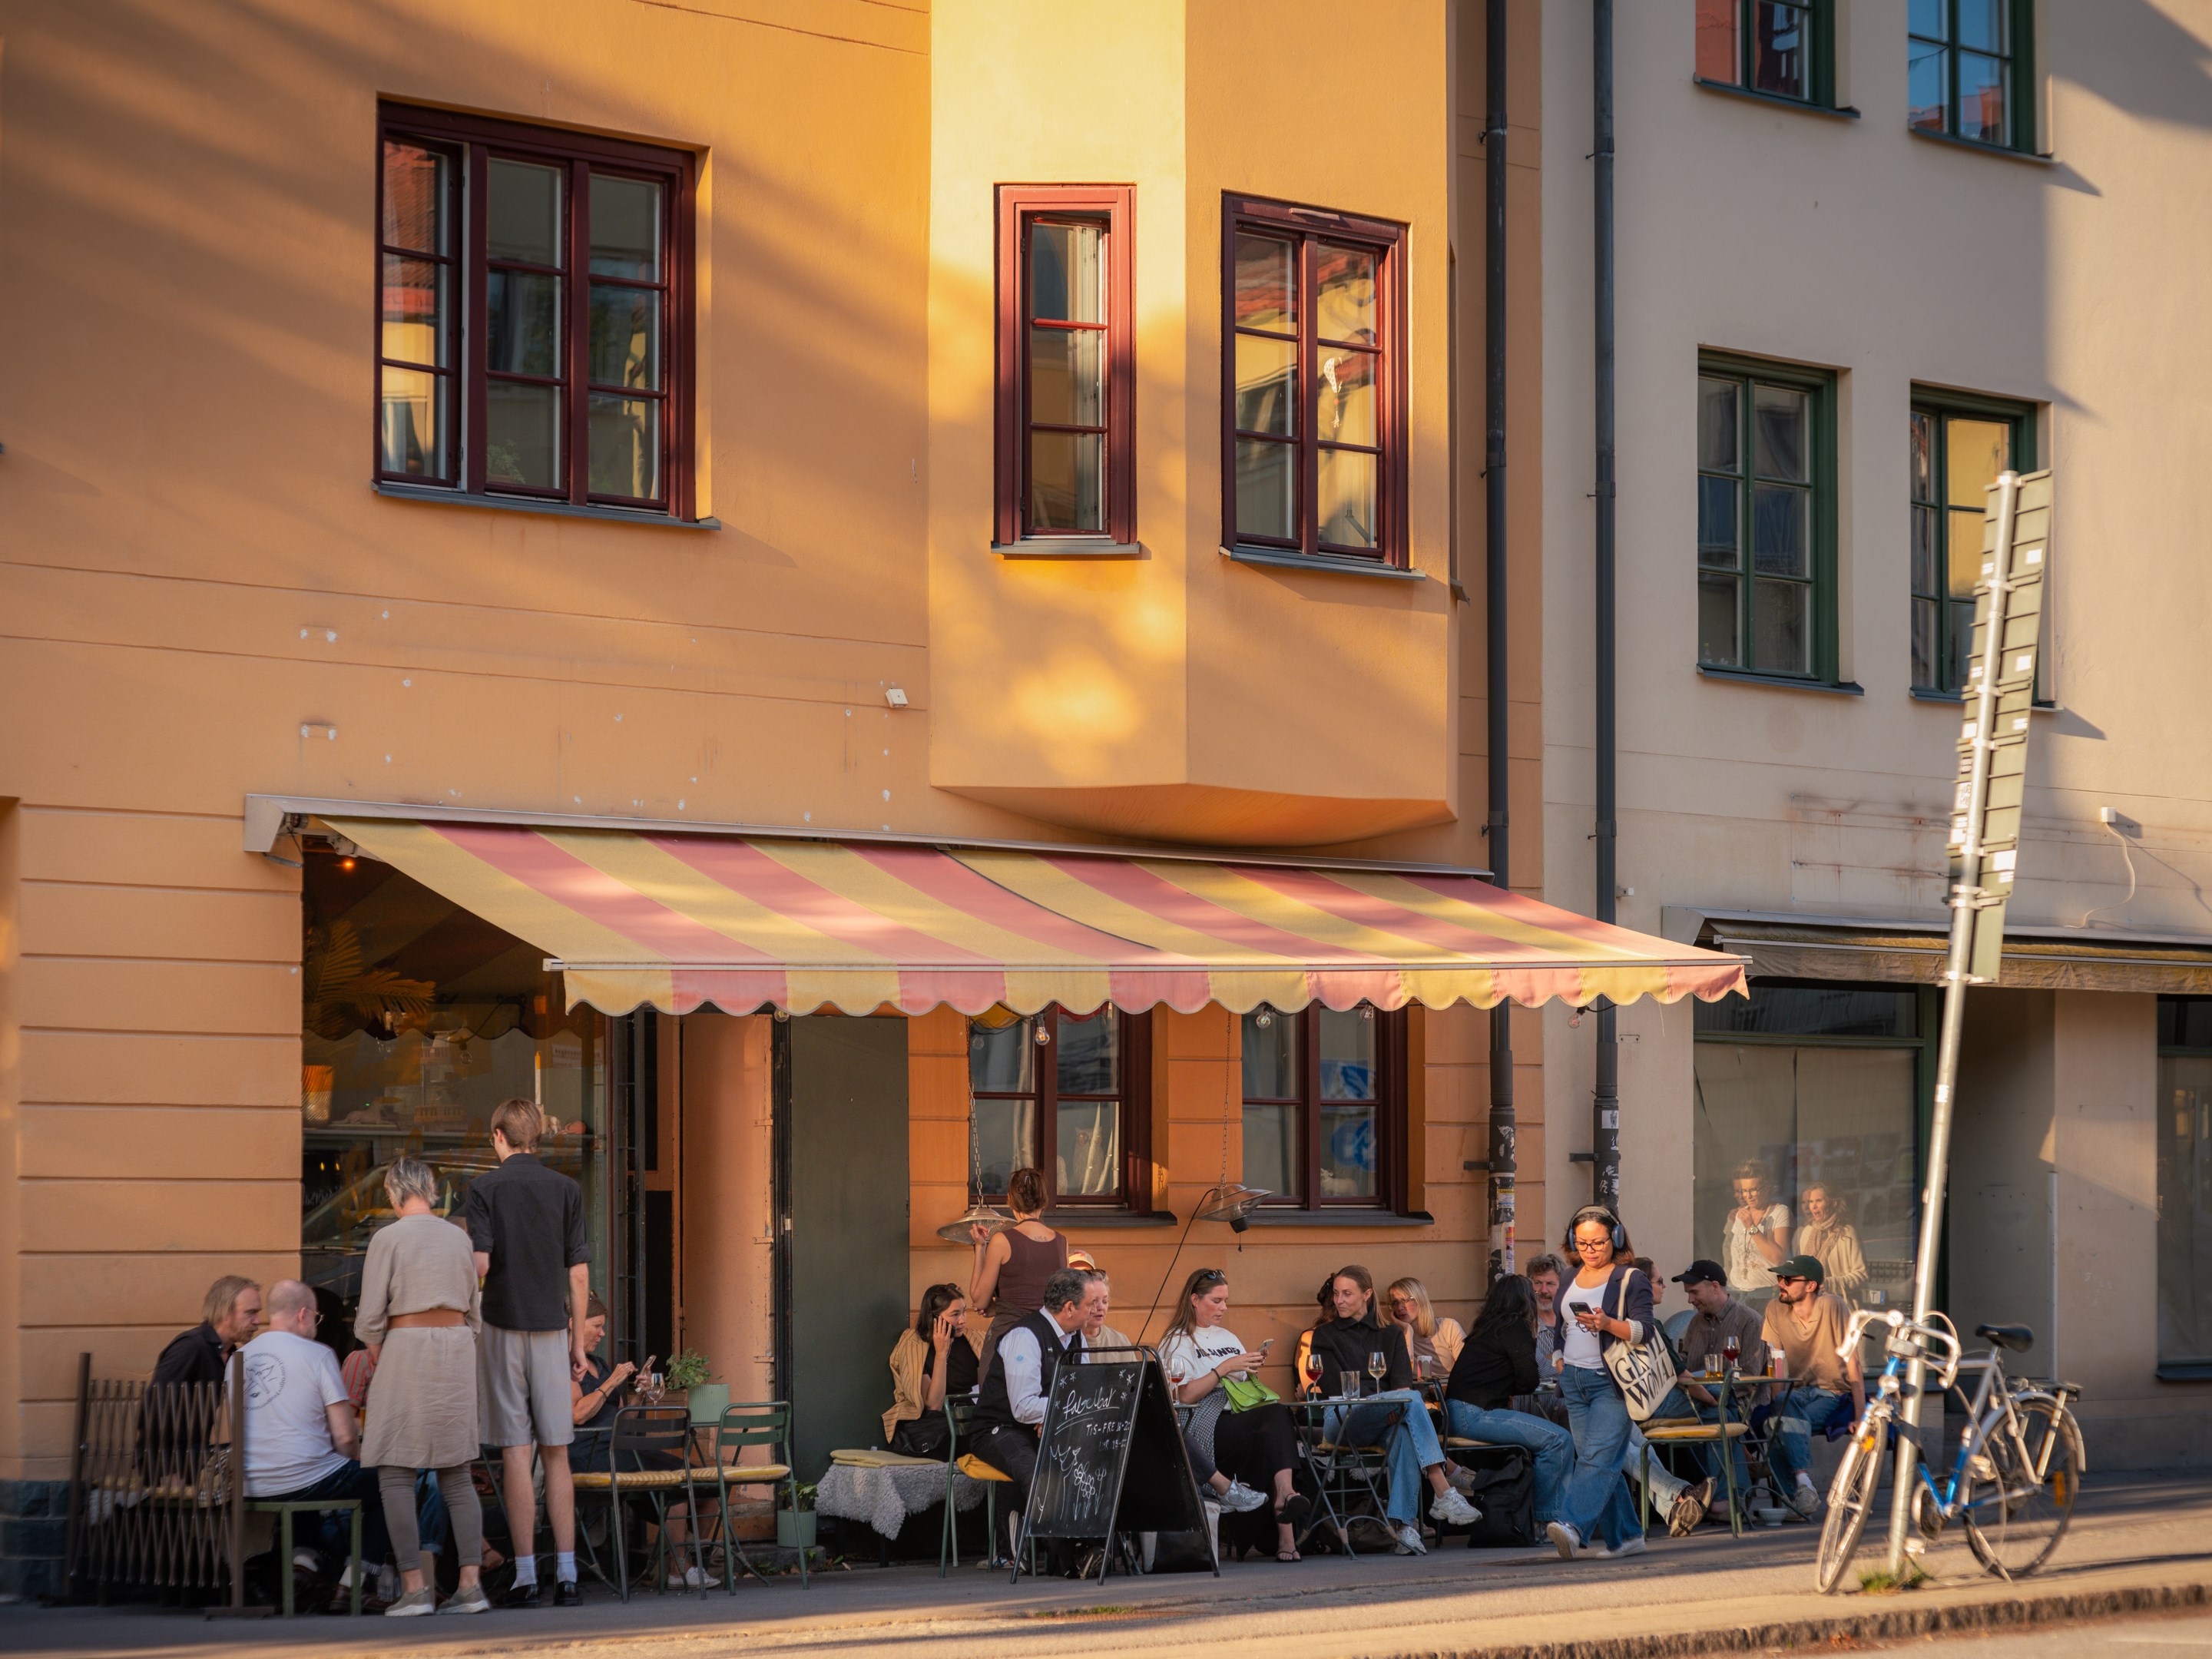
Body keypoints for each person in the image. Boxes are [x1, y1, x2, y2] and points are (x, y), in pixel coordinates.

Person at [465, 1098, 591, 1608]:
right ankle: (566, 1574)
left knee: (516, 1453)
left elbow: (479, 1263)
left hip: (500, 1327)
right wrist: (577, 1340)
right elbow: (578, 1273)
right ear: (537, 1136)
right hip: (550, 1330)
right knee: (556, 1452)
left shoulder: (483, 1189)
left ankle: (523, 1577)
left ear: (499, 1136)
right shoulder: (567, 1189)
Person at [354, 1156, 489, 1617]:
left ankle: (415, 1589)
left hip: (406, 1347)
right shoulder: (458, 1236)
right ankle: (470, 1586)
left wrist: (378, 1350)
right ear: (432, 1191)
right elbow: (474, 1311)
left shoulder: (387, 1238)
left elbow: (371, 1316)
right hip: (455, 1346)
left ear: (394, 1194)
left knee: (394, 1470)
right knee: (456, 1472)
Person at [1307, 1266, 1481, 1555]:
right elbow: (1335, 1389)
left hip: (1387, 1420)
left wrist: (1390, 1405)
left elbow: (1402, 1383)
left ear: (1367, 1295)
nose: (1339, 1300)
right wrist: (1386, 1402)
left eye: (1347, 1294)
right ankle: (1442, 1487)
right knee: (1411, 1401)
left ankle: (1404, 1529)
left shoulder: (1390, 1334)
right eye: (1337, 1294)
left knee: (1404, 1436)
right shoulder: (1325, 1335)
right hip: (1342, 1420)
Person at [240, 1280, 393, 1587]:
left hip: (250, 1483)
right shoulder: (317, 1354)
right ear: (302, 1314)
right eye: (316, 1317)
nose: (316, 1325)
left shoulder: (239, 1357)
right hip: (305, 1480)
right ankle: (354, 1580)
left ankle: (304, 1560)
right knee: (392, 1484)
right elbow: (347, 1438)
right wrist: (351, 1459)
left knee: (307, 1471)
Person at [1157, 1268, 1309, 1560]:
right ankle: (1285, 1521)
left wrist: (1249, 1364)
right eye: (1217, 1301)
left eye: (1226, 1301)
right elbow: (1183, 1396)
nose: (1224, 1308)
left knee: (1275, 1421)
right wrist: (1224, 1368)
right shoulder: (1178, 1341)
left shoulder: (1227, 1336)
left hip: (1241, 1416)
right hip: (1204, 1424)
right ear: (1195, 1300)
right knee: (1274, 1422)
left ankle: (1286, 1503)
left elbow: (1241, 1383)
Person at [571, 1295, 717, 1588]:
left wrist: (640, 1393)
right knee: (675, 1481)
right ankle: (679, 1569)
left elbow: (626, 1420)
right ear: (574, 1325)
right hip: (591, 1454)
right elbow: (578, 1414)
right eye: (597, 1326)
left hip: (624, 1449)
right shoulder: (568, 1367)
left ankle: (690, 1562)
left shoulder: (599, 1363)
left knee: (704, 1482)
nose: (602, 1333)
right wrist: (612, 1381)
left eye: (603, 1327)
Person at [1544, 1207, 1654, 1561]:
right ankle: (1626, 1537)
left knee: (1595, 1459)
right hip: (1573, 1380)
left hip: (1612, 1382)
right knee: (1602, 1462)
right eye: (1582, 1242)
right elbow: (1560, 1324)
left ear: (1616, 1238)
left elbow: (1644, 1330)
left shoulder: (1630, 1278)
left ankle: (1572, 1527)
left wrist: (1607, 1323)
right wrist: (1558, 1354)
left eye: (1598, 1242)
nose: (1590, 1249)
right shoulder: (1568, 1276)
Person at [968, 1267, 1098, 1563]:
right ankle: (1067, 1559)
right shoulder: (1025, 1336)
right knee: (1040, 1472)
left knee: (1095, 1461)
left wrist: (1055, 1420)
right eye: (1090, 1304)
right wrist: (1058, 1415)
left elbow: (1083, 1392)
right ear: (1069, 1308)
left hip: (1042, 1426)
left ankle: (1093, 1545)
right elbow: (1024, 1407)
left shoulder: (1077, 1337)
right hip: (997, 1429)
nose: (1095, 1310)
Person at [1441, 1275, 1576, 1530]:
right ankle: (1545, 1522)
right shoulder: (1514, 1327)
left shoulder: (1486, 1328)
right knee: (1559, 1440)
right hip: (1476, 1414)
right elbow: (1528, 1380)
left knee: (1554, 1440)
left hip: (1461, 1413)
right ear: (1525, 1301)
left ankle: (1546, 1518)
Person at [1759, 1255, 1865, 1520]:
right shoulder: (1775, 1309)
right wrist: (1777, 1405)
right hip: (1794, 1394)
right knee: (1778, 1417)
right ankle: (1803, 1486)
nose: (1780, 1284)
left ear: (1811, 1286)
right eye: (1779, 1279)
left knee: (1776, 1424)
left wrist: (1861, 1415)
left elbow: (1853, 1362)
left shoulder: (1832, 1306)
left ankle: (1793, 1497)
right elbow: (1776, 1365)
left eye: (1787, 1280)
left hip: (1831, 1394)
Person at [1665, 1260, 1765, 1526]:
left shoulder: (1749, 1320)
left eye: (1694, 1292)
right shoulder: (1696, 1323)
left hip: (1740, 1400)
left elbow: (1750, 1378)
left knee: (1720, 1407)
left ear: (1715, 1287)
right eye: (1688, 1293)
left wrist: (1713, 1391)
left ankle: (1725, 1498)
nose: (1690, 1300)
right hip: (1701, 1399)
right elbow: (1686, 1366)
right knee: (1715, 1407)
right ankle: (1734, 1499)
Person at [968, 1167, 1068, 1382]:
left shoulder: (1002, 1241)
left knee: (1000, 1408)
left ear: (1010, 1201)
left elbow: (979, 1299)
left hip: (1010, 1337)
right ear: (1044, 1201)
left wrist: (979, 1247)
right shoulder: (1061, 1242)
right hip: (1048, 1340)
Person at [884, 1283, 979, 1457]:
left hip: (969, 1412)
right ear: (935, 1318)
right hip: (935, 1419)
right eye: (955, 1314)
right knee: (950, 1431)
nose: (962, 1319)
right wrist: (942, 1354)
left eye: (964, 1311)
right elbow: (933, 1404)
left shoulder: (972, 1341)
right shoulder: (916, 1346)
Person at [152, 1276, 263, 1389]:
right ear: (224, 1311)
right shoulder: (190, 1347)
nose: (257, 1321)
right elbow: (155, 1405)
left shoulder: (233, 1354)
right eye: (251, 1312)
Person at [1723, 1162, 1791, 1306]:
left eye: (1754, 1190)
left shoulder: (1779, 1212)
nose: (1748, 1196)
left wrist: (1752, 1227)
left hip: (1764, 1297)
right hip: (1735, 1293)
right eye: (1744, 1191)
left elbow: (1778, 1258)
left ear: (1767, 1188)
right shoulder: (1740, 1215)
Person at [1793, 1185, 1869, 1304]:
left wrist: (1830, 1284)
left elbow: (1862, 1276)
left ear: (1833, 1203)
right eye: (1811, 1202)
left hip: (1840, 1307)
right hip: (1811, 1307)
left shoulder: (1847, 1232)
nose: (1813, 1206)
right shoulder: (1807, 1232)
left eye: (1819, 1201)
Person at [1386, 1277, 1465, 1382]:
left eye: (1405, 1300)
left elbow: (1468, 1369)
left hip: (1450, 1392)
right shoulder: (1396, 1337)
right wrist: (1408, 1332)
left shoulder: (1449, 1327)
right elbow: (1403, 1377)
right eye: (1395, 1302)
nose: (1400, 1307)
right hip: (1417, 1394)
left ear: (1420, 1300)